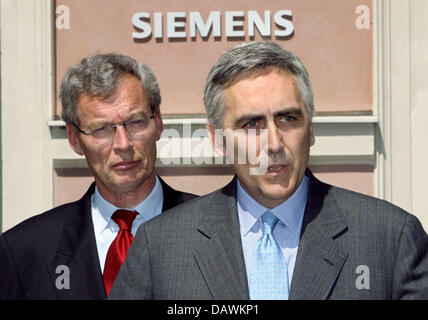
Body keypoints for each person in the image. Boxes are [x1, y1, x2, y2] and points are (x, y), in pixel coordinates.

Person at [109, 42, 428, 300]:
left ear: (311, 128)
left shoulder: (390, 238)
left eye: (288, 119)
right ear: (217, 139)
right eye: (251, 124)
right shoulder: (161, 246)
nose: (274, 143)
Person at [0, 53, 197, 299]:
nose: (123, 144)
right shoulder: (25, 250)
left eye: (135, 122)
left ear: (157, 122)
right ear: (74, 139)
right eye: (101, 129)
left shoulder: (220, 231)